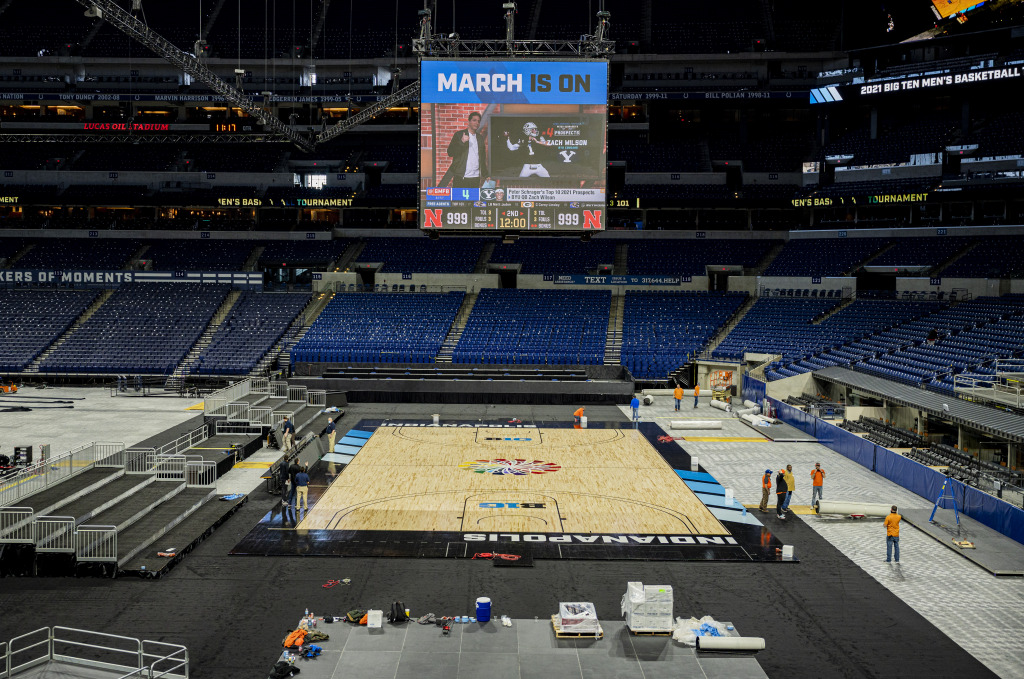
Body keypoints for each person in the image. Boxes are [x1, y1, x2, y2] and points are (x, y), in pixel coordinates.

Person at [444, 111, 487, 188]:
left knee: (473, 200)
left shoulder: (480, 138)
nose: (477, 123)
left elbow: (482, 158)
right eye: (474, 120)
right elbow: (450, 152)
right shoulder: (459, 135)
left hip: (475, 177)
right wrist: (462, 142)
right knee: (459, 200)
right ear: (469, 121)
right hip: (461, 177)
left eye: (478, 121)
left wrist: (486, 175)